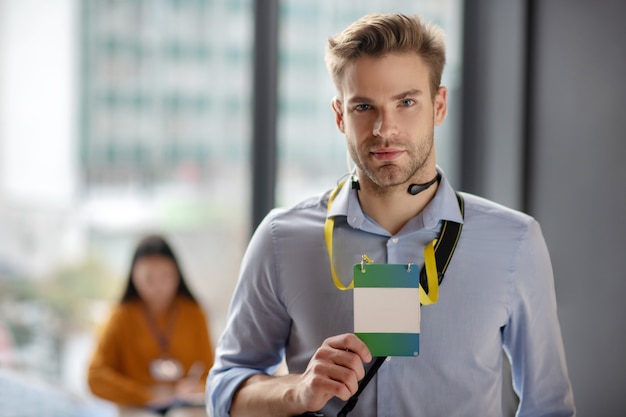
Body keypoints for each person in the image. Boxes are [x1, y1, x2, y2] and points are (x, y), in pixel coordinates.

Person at [207, 13, 575, 417]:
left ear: (438, 105)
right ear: (339, 116)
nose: (385, 128)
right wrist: (296, 391)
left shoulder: (515, 241)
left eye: (406, 102)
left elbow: (548, 407)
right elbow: (225, 388)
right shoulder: (281, 238)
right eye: (364, 106)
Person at [88, 234, 214, 417]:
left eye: (166, 276)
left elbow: (211, 370)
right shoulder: (120, 316)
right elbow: (95, 376)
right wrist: (143, 394)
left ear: (177, 274)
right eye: (149, 278)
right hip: (137, 406)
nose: (158, 287)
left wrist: (198, 386)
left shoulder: (194, 313)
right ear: (134, 276)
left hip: (185, 404)